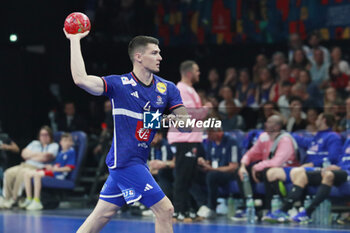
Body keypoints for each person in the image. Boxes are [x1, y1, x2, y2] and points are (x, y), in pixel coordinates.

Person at [64, 28, 188, 233]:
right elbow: (81, 79)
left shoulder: (168, 88)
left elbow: (185, 123)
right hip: (124, 162)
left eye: (159, 52)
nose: (160, 57)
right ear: (138, 57)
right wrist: (74, 39)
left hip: (138, 161)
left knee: (100, 216)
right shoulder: (119, 84)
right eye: (154, 53)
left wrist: (162, 119)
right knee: (165, 210)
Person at [263, 113, 342, 223]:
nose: (316, 121)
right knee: (272, 172)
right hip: (304, 168)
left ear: (323, 120)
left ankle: (287, 208)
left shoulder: (333, 136)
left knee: (299, 172)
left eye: (318, 118)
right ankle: (287, 207)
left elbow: (333, 158)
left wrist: (313, 164)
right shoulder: (316, 136)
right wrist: (282, 131)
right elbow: (302, 141)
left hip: (318, 169)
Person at [167, 60, 212, 222]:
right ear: (189, 73)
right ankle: (178, 211)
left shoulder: (189, 89)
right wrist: (206, 108)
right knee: (182, 176)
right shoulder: (181, 90)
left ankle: (189, 210)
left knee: (190, 177)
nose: (199, 73)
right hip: (183, 139)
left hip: (190, 139)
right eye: (197, 70)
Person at [232, 115, 298, 221]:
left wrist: (256, 167)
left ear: (277, 126)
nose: (266, 124)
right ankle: (249, 207)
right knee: (241, 171)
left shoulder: (285, 140)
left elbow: (277, 162)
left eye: (269, 122)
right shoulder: (264, 137)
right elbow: (250, 154)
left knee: (268, 171)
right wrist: (243, 166)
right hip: (267, 170)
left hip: (287, 172)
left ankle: (268, 208)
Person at [0, 126, 59, 209]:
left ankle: (15, 199)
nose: (44, 137)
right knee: (8, 173)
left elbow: (46, 157)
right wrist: (38, 154)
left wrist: (30, 155)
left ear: (50, 136)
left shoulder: (54, 145)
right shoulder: (35, 143)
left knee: (22, 174)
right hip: (24, 165)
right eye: (42, 135)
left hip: (36, 167)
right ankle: (7, 198)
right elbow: (23, 154)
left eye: (46, 135)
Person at [22, 133, 76, 210]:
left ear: (72, 143)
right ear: (60, 142)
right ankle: (29, 199)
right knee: (27, 174)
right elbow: (56, 164)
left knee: (37, 175)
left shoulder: (71, 152)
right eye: (64, 140)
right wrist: (50, 167)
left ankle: (37, 201)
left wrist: (56, 169)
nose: (66, 142)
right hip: (53, 171)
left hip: (59, 175)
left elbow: (69, 168)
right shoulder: (61, 152)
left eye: (69, 141)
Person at [196, 127, 240, 219]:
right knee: (190, 174)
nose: (207, 136)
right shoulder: (211, 142)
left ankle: (211, 208)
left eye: (210, 134)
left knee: (212, 176)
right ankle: (200, 205)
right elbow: (209, 161)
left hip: (229, 174)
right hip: (214, 171)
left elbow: (233, 167)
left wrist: (212, 169)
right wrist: (203, 162)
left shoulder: (231, 142)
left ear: (218, 132)